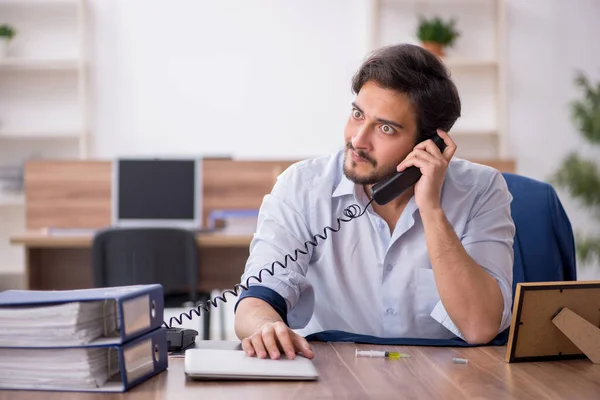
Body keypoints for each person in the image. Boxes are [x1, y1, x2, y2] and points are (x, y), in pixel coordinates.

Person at [233, 43, 515, 361]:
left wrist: (432, 210)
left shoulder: (482, 190)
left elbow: (481, 326)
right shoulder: (302, 187)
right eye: (357, 115)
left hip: (446, 381)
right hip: (335, 376)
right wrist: (266, 326)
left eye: (385, 128)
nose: (358, 140)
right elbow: (257, 298)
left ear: (428, 145)